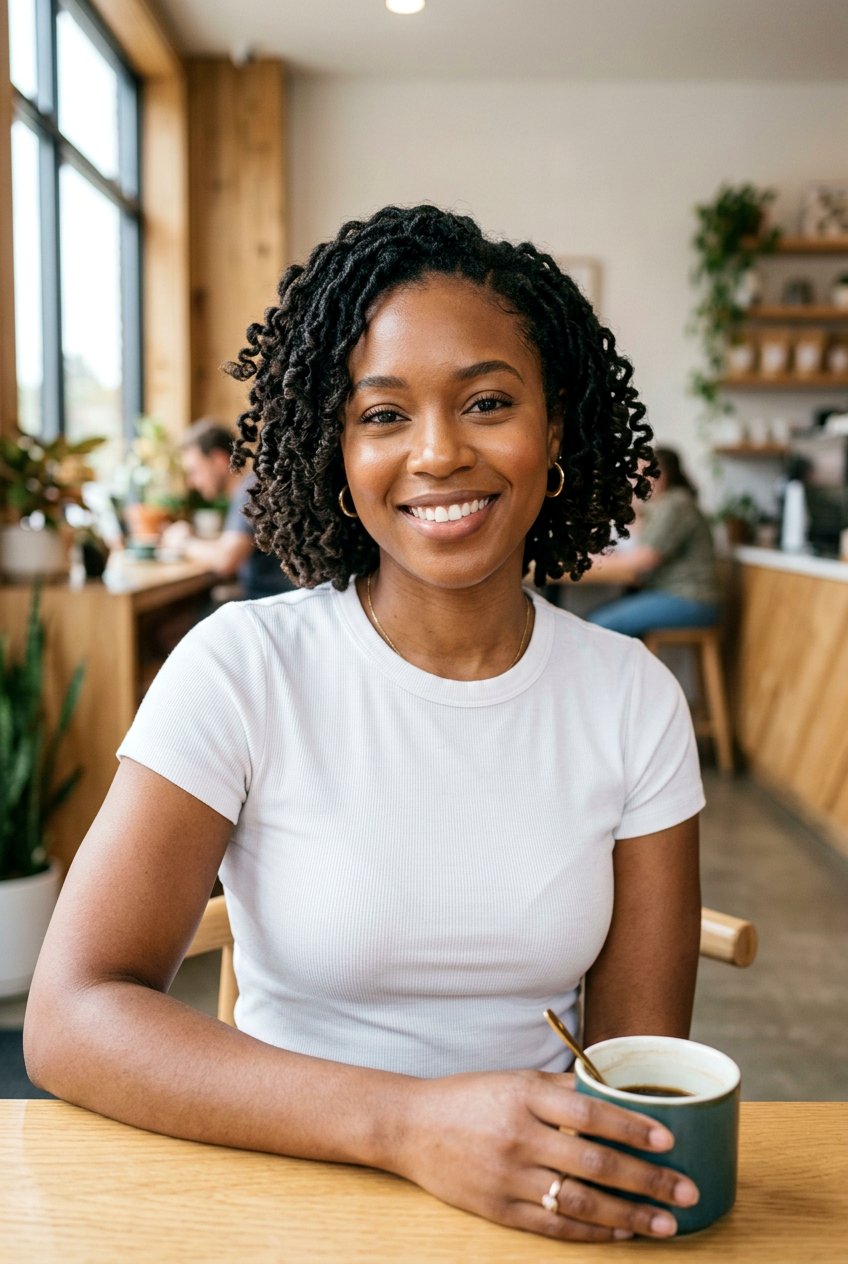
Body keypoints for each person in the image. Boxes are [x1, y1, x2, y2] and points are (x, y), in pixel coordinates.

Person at [25, 205, 704, 1245]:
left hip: (528, 1205)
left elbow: (634, 1067)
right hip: (281, 1189)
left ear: (555, 426)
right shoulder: (243, 667)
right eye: (382, 414)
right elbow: (70, 1017)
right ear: (333, 447)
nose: (436, 453)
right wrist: (406, 1124)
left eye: (485, 401)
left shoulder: (630, 698)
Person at [584, 446, 720, 637]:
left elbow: (644, 559)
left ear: (661, 474)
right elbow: (639, 543)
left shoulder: (675, 504)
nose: (636, 479)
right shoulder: (664, 505)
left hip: (688, 598)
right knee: (597, 618)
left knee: (596, 625)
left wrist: (591, 562)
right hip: (676, 596)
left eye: (642, 472)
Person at [162, 418, 295, 599]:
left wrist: (182, 543)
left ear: (218, 460)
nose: (192, 483)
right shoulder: (250, 487)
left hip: (275, 605)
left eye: (194, 471)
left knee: (168, 625)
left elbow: (226, 560)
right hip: (273, 598)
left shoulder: (250, 490)